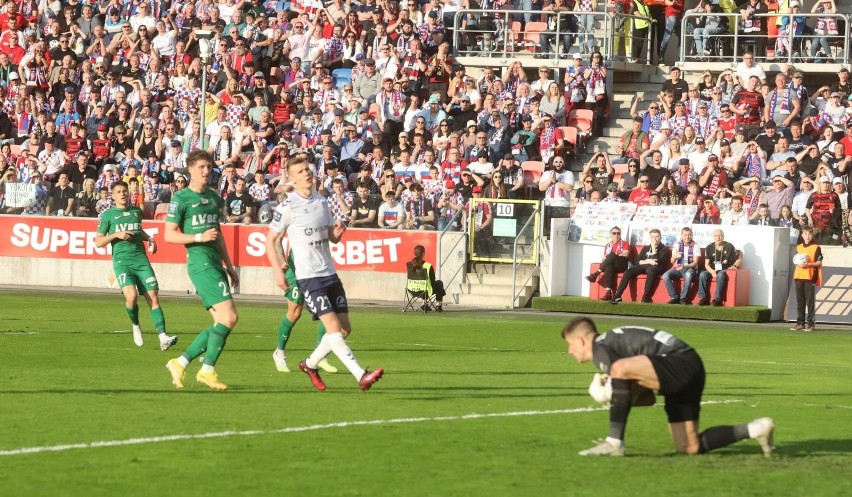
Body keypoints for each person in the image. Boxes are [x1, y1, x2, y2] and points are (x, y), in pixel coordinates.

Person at [561, 317, 775, 457]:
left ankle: (614, 442)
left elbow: (620, 370)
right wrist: (613, 394)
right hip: (689, 367)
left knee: (618, 369)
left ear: (580, 340)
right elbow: (648, 399)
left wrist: (608, 390)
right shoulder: (610, 345)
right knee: (689, 447)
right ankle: (756, 429)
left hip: (679, 361)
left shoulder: (600, 348)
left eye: (569, 344)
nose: (570, 351)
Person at [267, 156, 383, 392]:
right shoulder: (287, 206)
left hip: (330, 273)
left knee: (344, 329)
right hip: (309, 278)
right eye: (300, 171)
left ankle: (309, 364)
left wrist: (337, 234)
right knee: (331, 328)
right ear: (292, 178)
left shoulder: (321, 201)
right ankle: (361, 375)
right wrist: (278, 272)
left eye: (307, 169)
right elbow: (271, 240)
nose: (307, 173)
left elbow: (330, 235)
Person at [164, 151, 240, 391]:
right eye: (201, 167)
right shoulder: (181, 198)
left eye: (208, 167)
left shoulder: (215, 199)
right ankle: (207, 370)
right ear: (190, 169)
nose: (206, 171)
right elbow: (168, 234)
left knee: (220, 322)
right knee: (230, 317)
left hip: (215, 263)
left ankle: (180, 362)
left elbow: (218, 236)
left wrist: (229, 266)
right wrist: (199, 236)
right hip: (200, 263)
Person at [94, 181, 177, 351]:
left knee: (153, 296)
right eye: (119, 191)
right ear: (114, 195)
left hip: (140, 260)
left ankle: (163, 337)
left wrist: (150, 238)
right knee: (131, 297)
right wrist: (116, 234)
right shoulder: (108, 215)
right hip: (122, 262)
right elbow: (98, 241)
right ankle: (136, 325)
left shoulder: (136, 211)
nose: (123, 194)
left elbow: (138, 231)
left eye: (125, 191)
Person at [265, 197, 338, 374]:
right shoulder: (291, 211)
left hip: (317, 269)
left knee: (327, 311)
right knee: (294, 312)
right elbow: (276, 240)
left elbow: (331, 237)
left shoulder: (320, 208)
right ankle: (279, 352)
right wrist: (282, 262)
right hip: (296, 270)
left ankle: (320, 357)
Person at [610, 228, 670, 304]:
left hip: (658, 267)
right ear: (650, 238)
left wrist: (654, 249)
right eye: (652, 237)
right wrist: (647, 261)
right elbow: (637, 261)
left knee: (650, 270)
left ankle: (646, 297)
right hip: (644, 266)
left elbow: (656, 262)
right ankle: (618, 296)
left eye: (657, 237)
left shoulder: (664, 249)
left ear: (660, 237)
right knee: (629, 271)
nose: (654, 239)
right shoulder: (646, 248)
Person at [697, 229, 742, 307]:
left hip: (724, 269)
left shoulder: (729, 246)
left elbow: (739, 259)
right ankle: (703, 298)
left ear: (723, 237)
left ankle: (717, 299)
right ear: (713, 237)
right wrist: (712, 272)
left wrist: (734, 266)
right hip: (712, 269)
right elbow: (706, 264)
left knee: (721, 274)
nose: (718, 237)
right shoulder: (709, 247)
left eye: (720, 235)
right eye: (716, 236)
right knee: (702, 274)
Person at [791, 226, 823, 332]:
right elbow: (796, 260)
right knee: (800, 301)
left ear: (812, 235)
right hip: (799, 275)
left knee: (810, 301)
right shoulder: (799, 247)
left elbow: (819, 262)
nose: (808, 236)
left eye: (809, 234)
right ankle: (800, 323)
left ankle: (811, 324)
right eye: (805, 234)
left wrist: (808, 264)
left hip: (810, 276)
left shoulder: (816, 247)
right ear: (802, 235)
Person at [586, 226, 630, 301]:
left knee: (611, 255)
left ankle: (596, 273)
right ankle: (608, 293)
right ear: (611, 235)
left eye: (618, 233)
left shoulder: (625, 243)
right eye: (614, 233)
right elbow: (604, 258)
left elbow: (626, 254)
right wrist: (607, 259)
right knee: (608, 266)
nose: (616, 235)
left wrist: (614, 256)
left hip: (623, 264)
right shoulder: (608, 245)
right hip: (613, 265)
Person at [662, 227, 701, 305]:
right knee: (665, 276)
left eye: (689, 235)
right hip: (677, 268)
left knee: (688, 274)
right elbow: (672, 261)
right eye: (685, 235)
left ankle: (683, 298)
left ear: (692, 235)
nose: (687, 237)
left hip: (689, 268)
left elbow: (695, 263)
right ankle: (674, 297)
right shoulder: (677, 244)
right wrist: (674, 256)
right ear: (682, 236)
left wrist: (685, 266)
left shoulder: (696, 245)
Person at [406, 244, 446, 312]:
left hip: (411, 290)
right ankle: (438, 305)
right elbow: (432, 281)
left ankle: (424, 304)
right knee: (439, 283)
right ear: (423, 253)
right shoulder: (428, 266)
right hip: (425, 291)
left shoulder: (409, 264)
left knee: (424, 284)